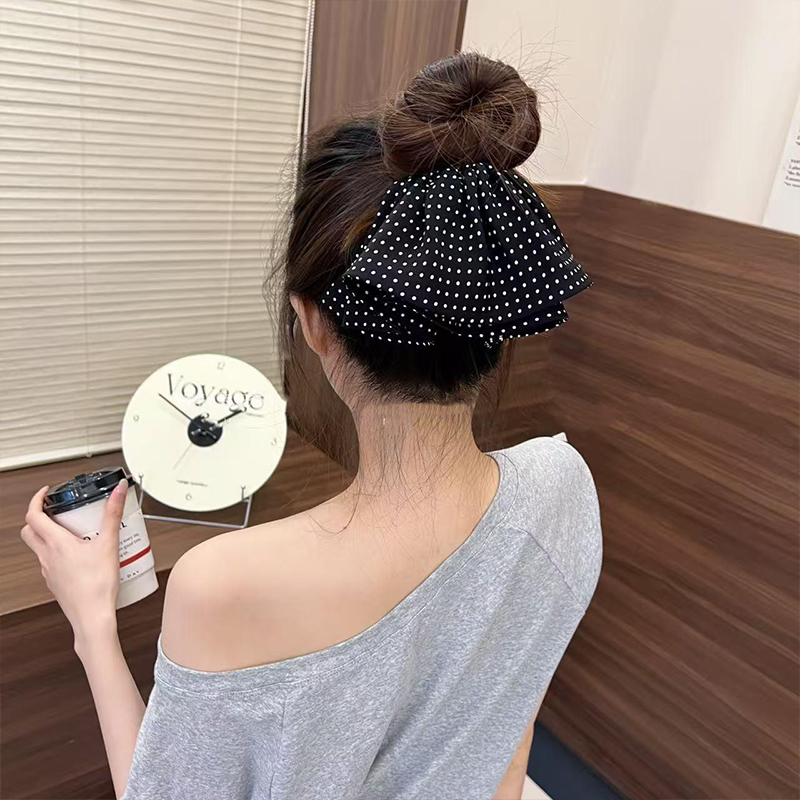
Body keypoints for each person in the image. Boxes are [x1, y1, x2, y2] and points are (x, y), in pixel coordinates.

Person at [20, 52, 602, 800]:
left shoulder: (225, 585)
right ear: (495, 311)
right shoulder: (563, 487)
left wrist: (92, 626)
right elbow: (506, 724)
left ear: (313, 322)